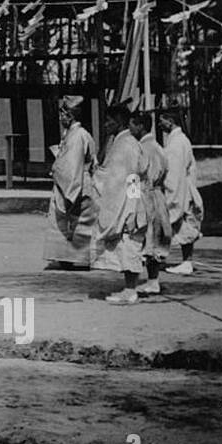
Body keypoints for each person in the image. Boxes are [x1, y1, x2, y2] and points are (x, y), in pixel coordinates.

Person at [92, 103, 149, 304]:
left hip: (130, 202)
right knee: (124, 246)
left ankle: (131, 290)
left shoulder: (129, 144)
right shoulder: (118, 142)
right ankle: (128, 287)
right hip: (120, 201)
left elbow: (133, 177)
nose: (106, 124)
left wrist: (132, 210)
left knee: (130, 245)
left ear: (120, 122)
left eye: (109, 121)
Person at [43, 95, 97, 269]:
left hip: (76, 182)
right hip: (74, 180)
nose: (61, 119)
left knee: (75, 222)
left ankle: (75, 257)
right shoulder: (73, 134)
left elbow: (72, 166)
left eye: (63, 115)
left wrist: (61, 177)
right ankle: (67, 256)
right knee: (73, 223)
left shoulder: (78, 136)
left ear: (70, 116)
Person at [132, 111, 172, 295]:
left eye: (132, 125)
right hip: (157, 194)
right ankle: (152, 279)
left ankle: (151, 281)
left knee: (149, 235)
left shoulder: (143, 148)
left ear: (140, 126)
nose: (130, 129)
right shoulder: (157, 146)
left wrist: (131, 198)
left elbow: (137, 174)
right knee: (154, 235)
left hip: (146, 194)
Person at [160, 110, 203, 275]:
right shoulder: (178, 140)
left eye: (162, 120)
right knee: (184, 226)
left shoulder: (178, 142)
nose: (159, 124)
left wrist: (171, 195)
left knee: (185, 224)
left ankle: (186, 261)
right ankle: (186, 261)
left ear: (170, 121)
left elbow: (175, 171)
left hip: (180, 187)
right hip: (183, 186)